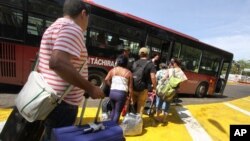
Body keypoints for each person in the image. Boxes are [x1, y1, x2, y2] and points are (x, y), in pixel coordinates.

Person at [38, 0, 105, 140]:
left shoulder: (53, 27)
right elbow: (57, 62)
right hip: (62, 105)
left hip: (48, 99)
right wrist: (91, 88)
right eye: (88, 17)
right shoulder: (73, 29)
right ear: (83, 13)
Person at [156, 58, 187, 123]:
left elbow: (164, 78)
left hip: (165, 88)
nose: (172, 64)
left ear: (175, 63)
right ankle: (164, 119)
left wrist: (160, 83)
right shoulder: (181, 72)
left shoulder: (170, 70)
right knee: (167, 103)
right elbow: (184, 80)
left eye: (173, 63)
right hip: (173, 90)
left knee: (160, 101)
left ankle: (158, 117)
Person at [104, 55, 133, 123]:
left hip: (112, 92)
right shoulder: (129, 73)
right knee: (117, 111)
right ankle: (113, 127)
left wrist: (111, 85)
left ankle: (109, 125)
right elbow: (130, 87)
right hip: (122, 94)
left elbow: (106, 79)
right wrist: (130, 97)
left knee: (113, 109)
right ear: (126, 63)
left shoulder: (113, 70)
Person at [132, 47, 157, 116]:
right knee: (140, 106)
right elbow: (153, 77)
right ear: (147, 54)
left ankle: (129, 120)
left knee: (132, 104)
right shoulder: (150, 64)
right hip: (143, 88)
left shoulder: (134, 63)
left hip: (133, 87)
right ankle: (137, 124)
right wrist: (155, 88)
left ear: (139, 54)